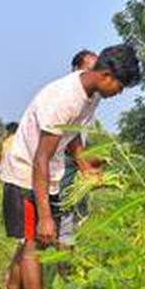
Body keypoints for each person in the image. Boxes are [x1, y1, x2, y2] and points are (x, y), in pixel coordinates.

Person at [0, 44, 140, 289]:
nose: (119, 93)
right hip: (26, 175)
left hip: (50, 174)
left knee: (32, 243)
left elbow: (72, 133)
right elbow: (40, 158)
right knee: (33, 247)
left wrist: (84, 166)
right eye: (120, 87)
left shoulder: (91, 94)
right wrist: (46, 216)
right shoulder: (64, 98)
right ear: (107, 75)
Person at [57, 50, 98, 250]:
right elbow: (70, 132)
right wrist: (84, 166)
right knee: (64, 208)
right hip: (62, 157)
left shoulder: (94, 94)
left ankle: (68, 258)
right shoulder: (69, 94)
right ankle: (62, 262)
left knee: (78, 212)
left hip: (75, 156)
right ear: (75, 70)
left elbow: (80, 132)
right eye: (90, 69)